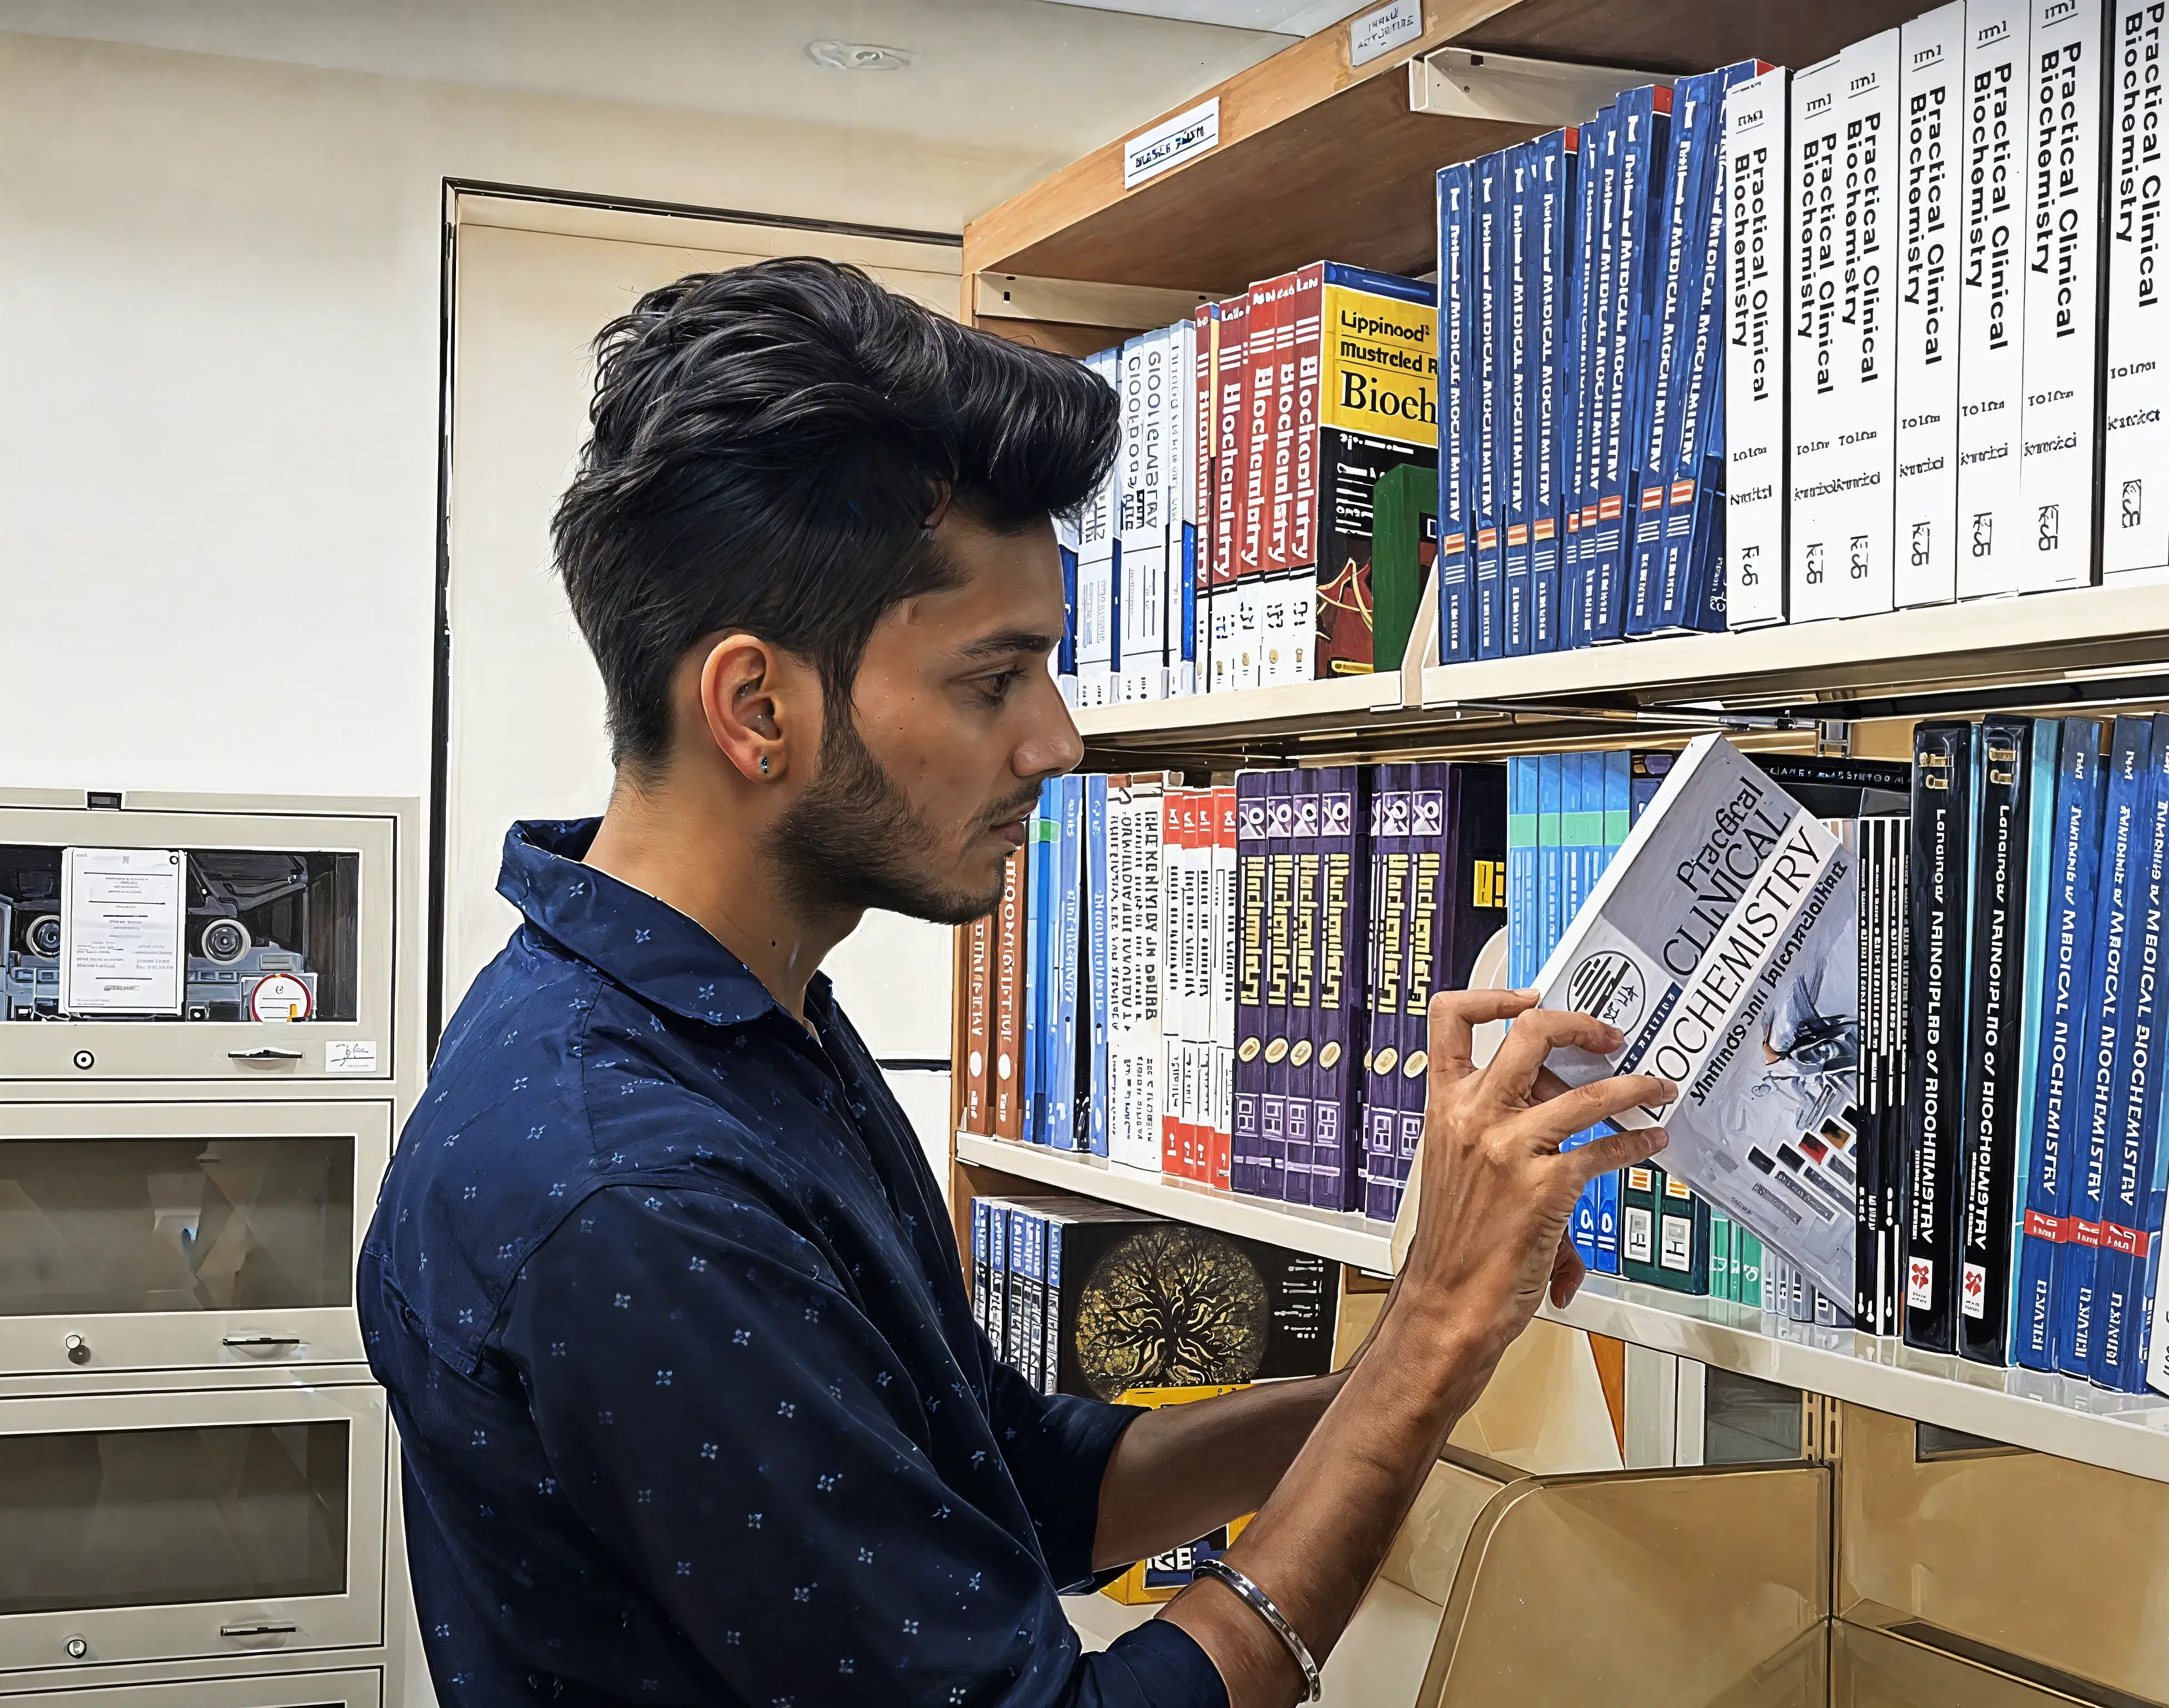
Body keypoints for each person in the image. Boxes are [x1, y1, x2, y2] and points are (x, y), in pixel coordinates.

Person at [358, 257, 1667, 1707]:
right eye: (995, 679)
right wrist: (1419, 1346)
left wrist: (1443, 1337)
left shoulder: (730, 1028)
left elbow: (1017, 1480)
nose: (1056, 743)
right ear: (756, 706)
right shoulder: (635, 1190)